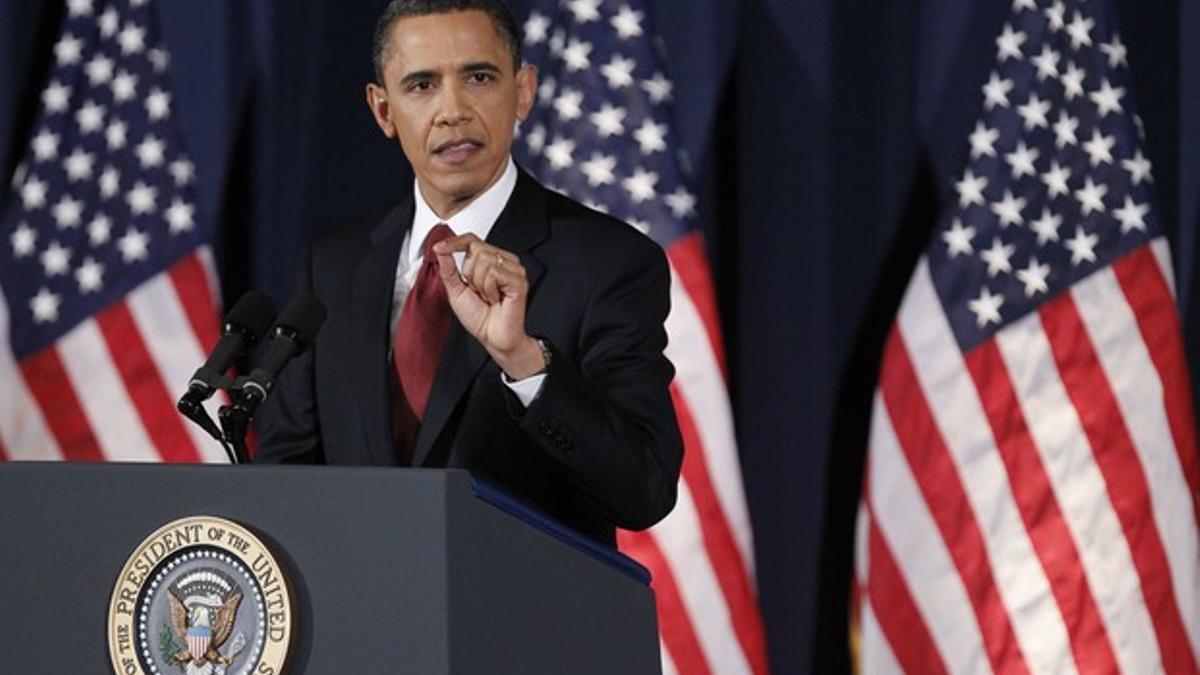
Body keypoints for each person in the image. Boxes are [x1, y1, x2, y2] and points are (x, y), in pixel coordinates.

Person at [255, 0, 682, 545]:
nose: (453, 109)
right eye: (421, 85)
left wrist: (525, 363)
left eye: (478, 77)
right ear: (383, 110)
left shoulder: (608, 264)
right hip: (365, 616)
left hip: (515, 622)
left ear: (523, 91)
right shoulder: (335, 264)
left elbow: (644, 487)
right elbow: (289, 473)